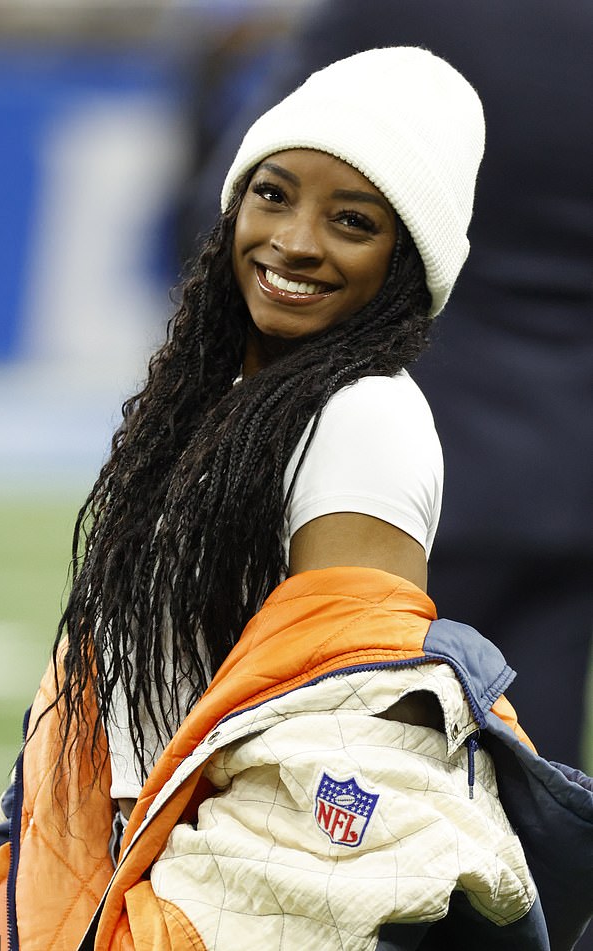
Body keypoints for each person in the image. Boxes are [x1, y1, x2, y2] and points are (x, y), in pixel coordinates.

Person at [0, 48, 592, 951]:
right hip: (115, 874)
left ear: (405, 260)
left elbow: (346, 746)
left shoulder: (362, 417)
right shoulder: (223, 401)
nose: (295, 240)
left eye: (352, 219)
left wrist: (163, 927)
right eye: (272, 194)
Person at [175, 0, 593, 777]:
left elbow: (251, 198)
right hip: (571, 479)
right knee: (531, 795)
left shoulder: (391, 8)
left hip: (400, 454)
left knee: (334, 795)